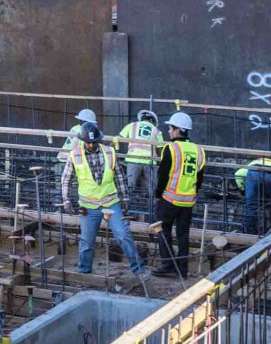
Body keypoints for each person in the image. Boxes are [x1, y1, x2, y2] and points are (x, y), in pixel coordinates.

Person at [64, 117, 143, 276]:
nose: (91, 145)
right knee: (87, 242)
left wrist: (125, 198)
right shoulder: (74, 155)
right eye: (88, 142)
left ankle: (139, 269)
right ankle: (84, 272)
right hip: (88, 206)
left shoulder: (109, 152)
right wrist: (66, 200)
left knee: (123, 235)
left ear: (99, 139)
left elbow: (119, 176)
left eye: (94, 142)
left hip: (111, 202)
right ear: (83, 141)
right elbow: (66, 179)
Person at [154, 111, 205, 276]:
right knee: (183, 235)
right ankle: (182, 269)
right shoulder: (198, 150)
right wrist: (193, 193)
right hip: (188, 201)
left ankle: (168, 264)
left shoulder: (171, 148)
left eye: (170, 128)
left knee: (163, 230)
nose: (169, 131)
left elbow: (162, 174)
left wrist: (158, 194)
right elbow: (199, 177)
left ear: (177, 130)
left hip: (169, 198)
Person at [115, 108, 163, 215]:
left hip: (133, 160)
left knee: (129, 189)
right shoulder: (156, 130)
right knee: (151, 191)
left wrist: (109, 150)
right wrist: (160, 162)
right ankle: (152, 214)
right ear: (152, 121)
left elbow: (118, 138)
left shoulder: (132, 126)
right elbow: (160, 149)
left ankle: (127, 212)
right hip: (150, 162)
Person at [236, 152, 271, 233]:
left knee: (251, 206)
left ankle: (249, 232)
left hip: (254, 175)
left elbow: (238, 174)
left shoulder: (252, 163)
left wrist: (242, 189)